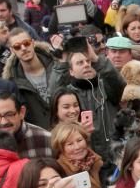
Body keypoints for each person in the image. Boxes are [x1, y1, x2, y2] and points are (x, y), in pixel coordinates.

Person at [48, 43, 124, 175]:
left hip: (114, 157)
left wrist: (96, 59)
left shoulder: (106, 86)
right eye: (80, 63)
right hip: (84, 161)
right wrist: (61, 60)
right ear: (71, 71)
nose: (86, 65)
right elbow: (53, 92)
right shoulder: (69, 95)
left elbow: (118, 83)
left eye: (88, 61)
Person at [2, 28, 57, 129]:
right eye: (17, 46)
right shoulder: (12, 81)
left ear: (33, 43)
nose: (23, 48)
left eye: (26, 43)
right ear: (12, 50)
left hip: (66, 131)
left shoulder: (57, 66)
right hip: (39, 135)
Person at [51, 121, 102, 188]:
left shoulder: (98, 162)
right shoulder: (60, 173)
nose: (77, 147)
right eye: (70, 144)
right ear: (61, 148)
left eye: (79, 140)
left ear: (85, 140)